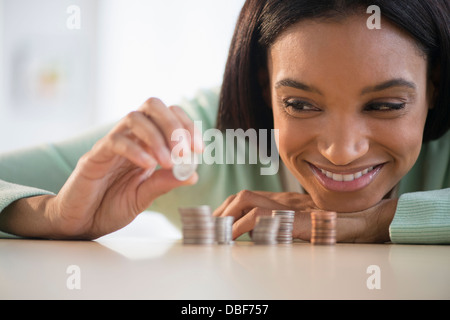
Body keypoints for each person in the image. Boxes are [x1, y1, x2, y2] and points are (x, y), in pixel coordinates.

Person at [0, 0, 449, 243]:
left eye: (385, 106)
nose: (341, 149)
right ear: (262, 86)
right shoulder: (201, 139)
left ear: (435, 85)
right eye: (300, 104)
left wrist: (376, 221)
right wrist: (49, 214)